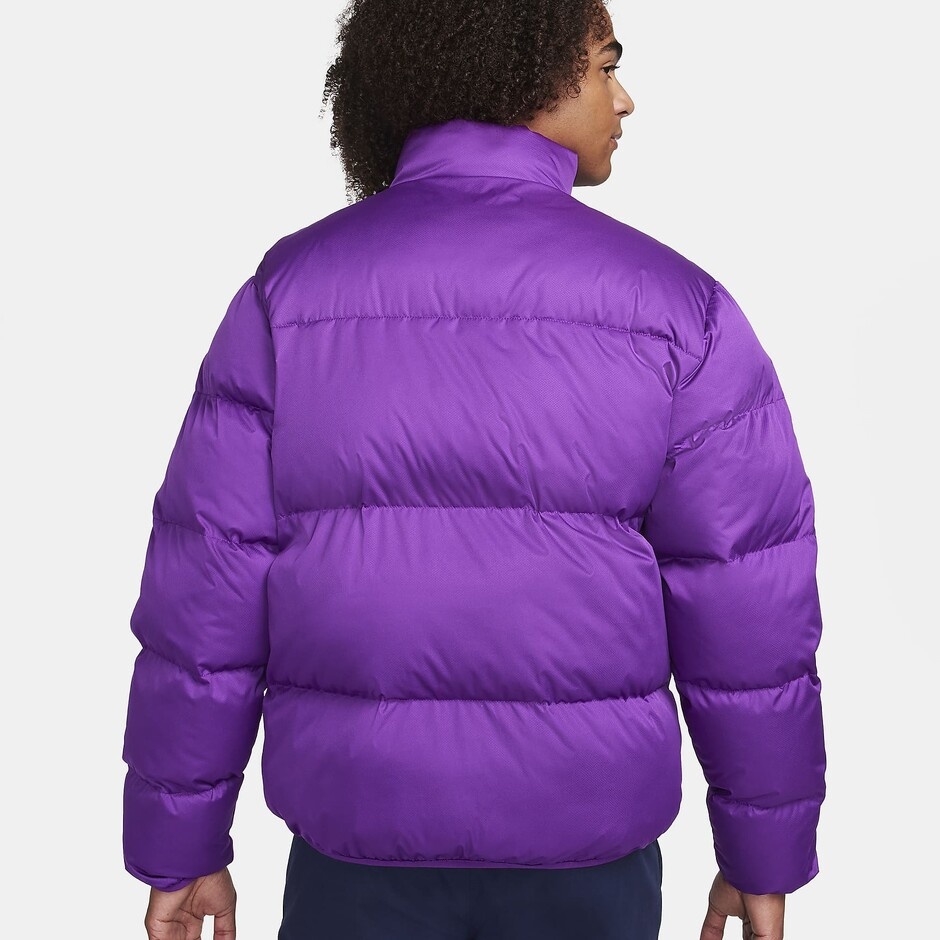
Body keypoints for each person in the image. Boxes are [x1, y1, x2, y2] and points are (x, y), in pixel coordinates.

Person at [121, 1, 827, 938]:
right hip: (585, 849)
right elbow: (747, 611)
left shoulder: (288, 295)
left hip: (355, 847)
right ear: (527, 72)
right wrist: (761, 854)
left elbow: (205, 596)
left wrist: (181, 845)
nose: (624, 98)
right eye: (605, 65)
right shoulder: (678, 310)